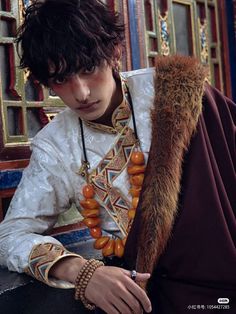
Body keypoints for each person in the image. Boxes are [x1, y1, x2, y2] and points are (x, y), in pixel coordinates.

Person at [0, 0, 235, 313]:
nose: (80, 92)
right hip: (145, 295)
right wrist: (80, 271)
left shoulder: (174, 92)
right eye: (61, 79)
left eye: (88, 69)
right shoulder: (55, 146)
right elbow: (10, 235)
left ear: (114, 53)